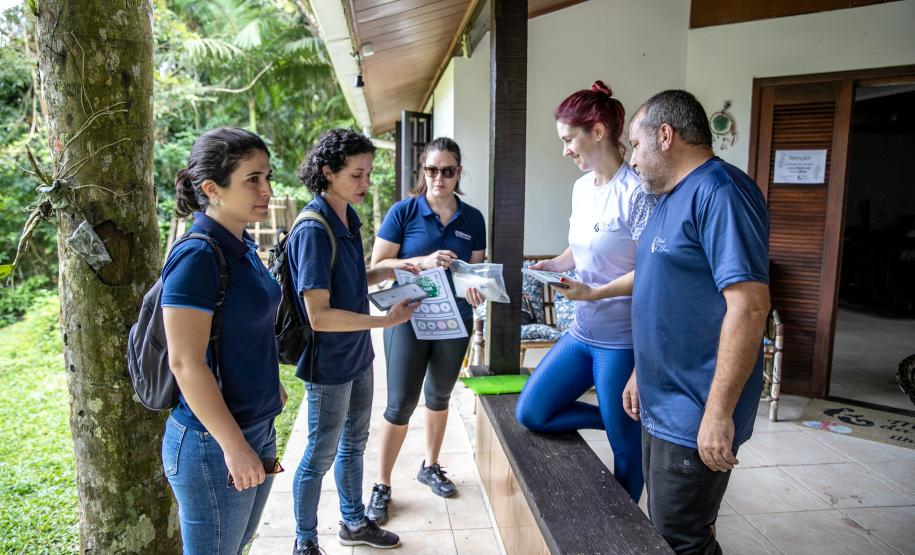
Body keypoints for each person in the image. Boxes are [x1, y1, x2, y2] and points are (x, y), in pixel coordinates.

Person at [628, 90, 770, 554]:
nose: (632, 159)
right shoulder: (669, 197)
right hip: (660, 397)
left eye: (635, 144)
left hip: (695, 406)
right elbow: (663, 293)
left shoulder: (721, 192)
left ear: (665, 136)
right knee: (669, 526)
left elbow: (748, 306)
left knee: (681, 538)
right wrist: (638, 372)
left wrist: (717, 414)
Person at [514, 81, 655, 502]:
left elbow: (652, 272)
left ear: (597, 131)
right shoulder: (581, 188)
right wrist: (554, 265)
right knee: (532, 412)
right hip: (582, 333)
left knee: (625, 453)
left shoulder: (639, 193)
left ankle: (626, 531)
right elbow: (581, 246)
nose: (565, 151)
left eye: (568, 139)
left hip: (621, 341)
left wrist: (594, 293)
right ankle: (613, 420)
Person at [288, 128, 420, 554]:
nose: (366, 183)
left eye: (368, 173)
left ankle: (352, 521)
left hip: (358, 355)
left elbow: (349, 282)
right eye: (357, 175)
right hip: (329, 363)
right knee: (319, 454)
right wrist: (386, 322)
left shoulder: (347, 215)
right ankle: (304, 540)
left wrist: (395, 269)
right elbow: (320, 315)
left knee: (354, 444)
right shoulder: (312, 227)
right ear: (328, 172)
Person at [161, 127, 286, 554]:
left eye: (267, 176)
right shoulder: (197, 256)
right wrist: (234, 446)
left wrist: (271, 385)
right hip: (211, 443)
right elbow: (184, 363)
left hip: (258, 426)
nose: (266, 189)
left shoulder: (241, 243)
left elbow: (246, 327)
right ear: (212, 189)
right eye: (253, 178)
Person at [366, 137, 487, 523]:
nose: (439, 178)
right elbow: (378, 265)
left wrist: (475, 287)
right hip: (407, 319)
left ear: (458, 173)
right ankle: (382, 485)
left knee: (439, 397)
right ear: (424, 171)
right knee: (399, 404)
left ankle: (430, 465)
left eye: (448, 171)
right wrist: (423, 259)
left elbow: (476, 271)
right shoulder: (404, 212)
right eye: (432, 170)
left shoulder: (473, 219)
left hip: (454, 321)